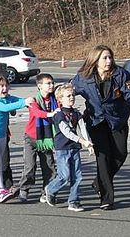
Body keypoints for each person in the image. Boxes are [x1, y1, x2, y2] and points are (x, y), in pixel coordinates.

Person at [71, 45, 130, 210]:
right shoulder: (83, 77)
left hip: (117, 120)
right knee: (102, 159)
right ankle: (106, 198)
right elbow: (66, 91)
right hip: (96, 122)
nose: (109, 61)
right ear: (95, 60)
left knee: (120, 154)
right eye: (105, 58)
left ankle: (99, 182)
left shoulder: (120, 75)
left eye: (110, 57)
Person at [0, 74, 35, 203]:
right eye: (0, 86)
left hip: (2, 135)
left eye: (6, 85)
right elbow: (5, 108)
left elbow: (17, 100)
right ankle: (1, 190)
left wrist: (29, 100)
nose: (4, 88)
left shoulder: (8, 98)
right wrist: (24, 103)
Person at [44, 84, 94, 212]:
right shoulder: (59, 114)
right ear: (60, 99)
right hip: (62, 148)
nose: (71, 97)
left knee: (77, 176)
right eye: (68, 96)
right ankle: (50, 189)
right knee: (64, 176)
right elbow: (66, 131)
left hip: (74, 148)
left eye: (72, 95)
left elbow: (82, 128)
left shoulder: (76, 113)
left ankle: (74, 201)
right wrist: (81, 140)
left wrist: (88, 143)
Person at [18, 73, 58, 203]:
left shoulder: (55, 100)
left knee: (49, 166)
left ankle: (47, 191)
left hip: (46, 138)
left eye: (52, 83)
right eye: (48, 83)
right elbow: (36, 113)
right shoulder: (33, 101)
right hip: (32, 137)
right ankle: (24, 189)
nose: (51, 85)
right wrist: (51, 114)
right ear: (39, 86)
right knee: (30, 166)